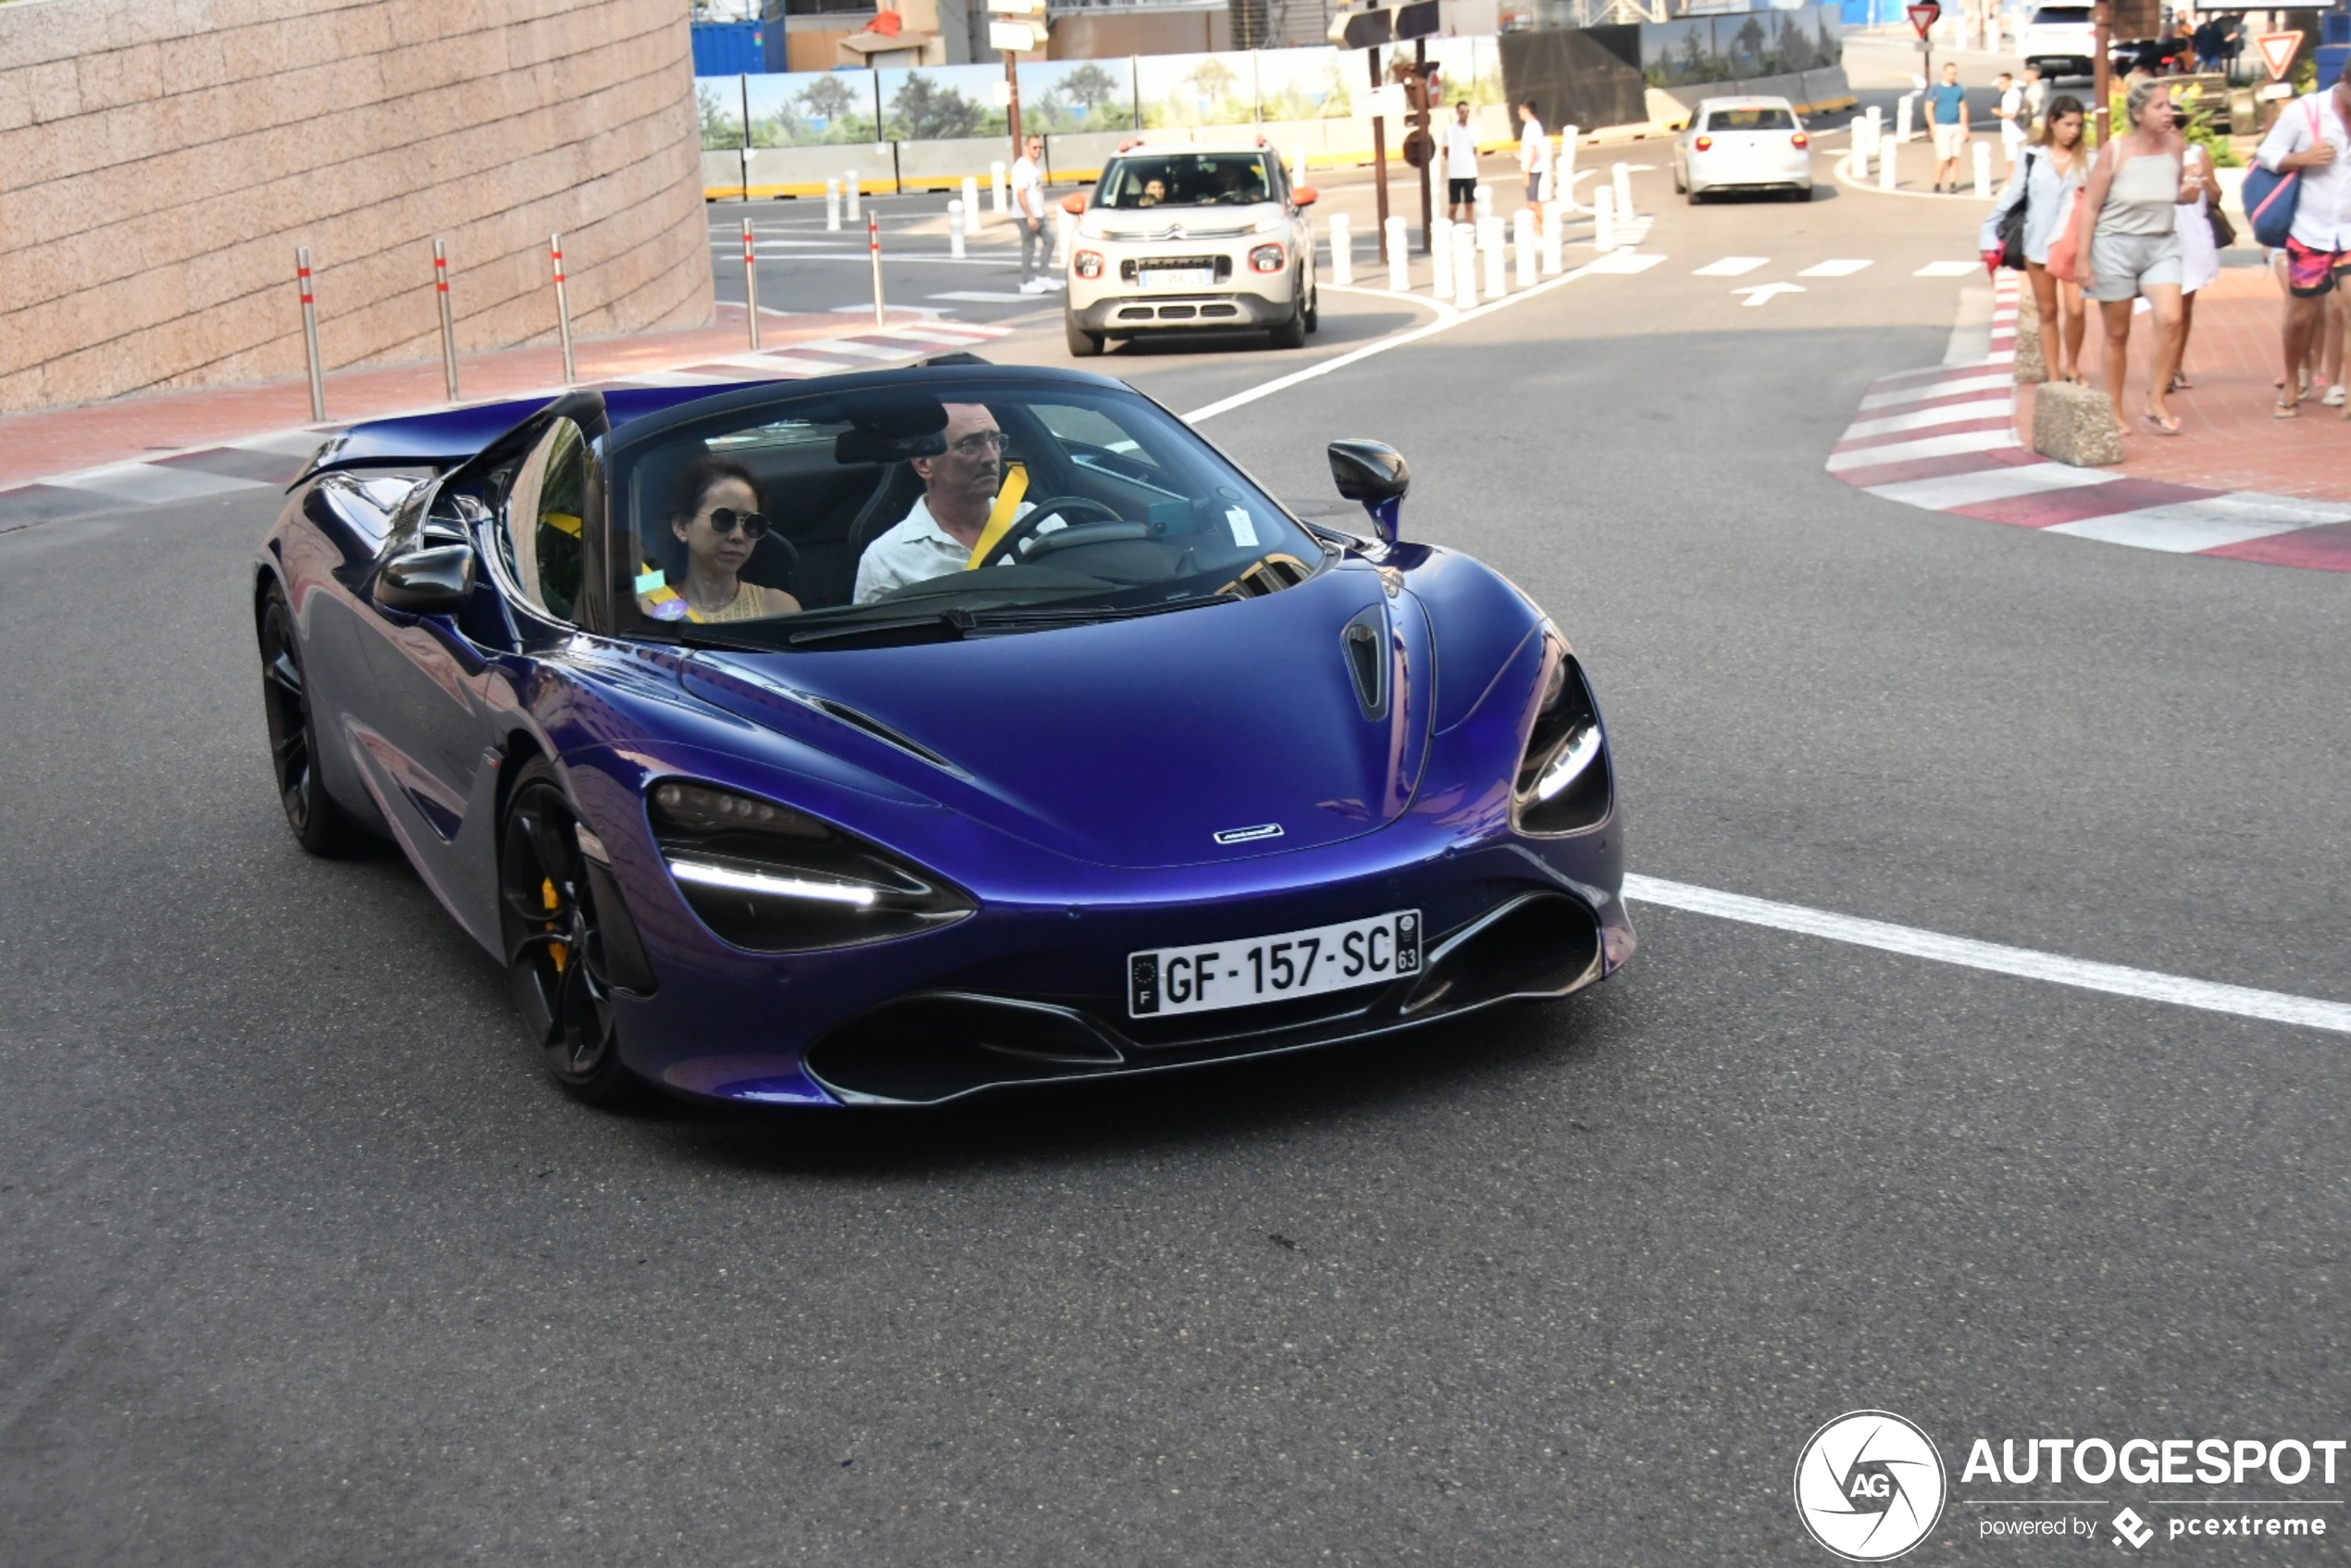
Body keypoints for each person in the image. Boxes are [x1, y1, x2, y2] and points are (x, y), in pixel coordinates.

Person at [2071, 78, 2197, 435]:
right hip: (2115, 246)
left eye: (2169, 105)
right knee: (2117, 333)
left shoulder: (2175, 144)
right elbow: (2092, 205)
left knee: (2172, 318)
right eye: (2160, 106)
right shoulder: (2115, 150)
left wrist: (2188, 193)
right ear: (2139, 114)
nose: (2169, 112)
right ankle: (2113, 409)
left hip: (2161, 244)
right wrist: (2083, 258)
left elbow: (2172, 193)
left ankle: (2156, 399)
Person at [852, 404, 1034, 604]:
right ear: (923, 464)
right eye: (970, 444)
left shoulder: (1040, 523)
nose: (991, 458)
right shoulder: (888, 560)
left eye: (995, 440)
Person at [2254, 59, 2351, 417]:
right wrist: (2303, 157)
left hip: (2349, 231)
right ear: (2344, 83)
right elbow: (2266, 153)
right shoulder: (2306, 111)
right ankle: (2294, 379)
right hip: (2310, 229)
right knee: (2301, 316)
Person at [1980, 94, 2091, 382]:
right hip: (2037, 244)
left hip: (2073, 247)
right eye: (2068, 124)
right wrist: (1988, 231)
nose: (2074, 131)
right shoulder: (2031, 156)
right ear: (2052, 122)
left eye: (2078, 125)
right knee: (2048, 311)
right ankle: (2054, 374)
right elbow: (2013, 197)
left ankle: (2073, 365)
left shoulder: (2090, 159)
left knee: (2076, 311)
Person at [640, 456, 800, 624]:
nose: (738, 536)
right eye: (723, 519)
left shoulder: (779, 608)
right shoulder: (650, 608)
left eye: (751, 523)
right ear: (682, 526)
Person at [2171, 139, 2221, 391]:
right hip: (2163, 231)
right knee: (2166, 308)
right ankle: (2165, 365)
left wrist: (2204, 179)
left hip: (2192, 233)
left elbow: (2215, 196)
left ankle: (2175, 364)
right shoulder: (2151, 151)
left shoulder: (2198, 153)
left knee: (2184, 307)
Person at [1011, 134, 1054, 296]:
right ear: (1026, 148)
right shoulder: (1022, 167)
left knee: (1050, 239)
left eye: (1040, 148)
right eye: (1034, 147)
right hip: (1025, 214)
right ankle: (1026, 282)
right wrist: (1029, 216)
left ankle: (1042, 276)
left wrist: (1041, 212)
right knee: (1029, 247)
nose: (1038, 151)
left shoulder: (1036, 166)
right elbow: (1021, 193)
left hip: (1038, 213)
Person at [1927, 62, 1970, 194]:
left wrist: (1965, 127)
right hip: (1942, 126)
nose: (1952, 76)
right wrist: (1932, 125)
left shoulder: (1959, 89)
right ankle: (1937, 182)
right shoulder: (1936, 89)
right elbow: (1929, 108)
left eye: (1955, 73)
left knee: (1955, 156)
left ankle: (1953, 183)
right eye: (1950, 73)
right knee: (1943, 156)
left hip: (1956, 125)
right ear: (1944, 73)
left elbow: (1963, 108)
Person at [1440, 100, 1480, 223]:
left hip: (1470, 173)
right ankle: (1451, 228)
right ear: (1457, 112)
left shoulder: (1474, 129)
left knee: (1469, 205)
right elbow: (1445, 149)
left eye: (1467, 111)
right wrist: (1451, 160)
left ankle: (1469, 229)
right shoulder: (1450, 129)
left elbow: (1475, 148)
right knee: (1453, 205)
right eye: (1462, 111)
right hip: (1455, 173)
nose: (1465, 114)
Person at [1515, 98, 1552, 222]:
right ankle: (1538, 232)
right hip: (1531, 168)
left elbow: (1535, 151)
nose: (1518, 112)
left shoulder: (1533, 126)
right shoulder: (1529, 126)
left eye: (1520, 110)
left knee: (1533, 203)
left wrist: (1527, 171)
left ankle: (1543, 229)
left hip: (1533, 170)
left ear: (1526, 110)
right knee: (1532, 203)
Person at [1994, 71, 2026, 173]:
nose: (1999, 85)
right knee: (2011, 160)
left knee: (2013, 161)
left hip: (2014, 133)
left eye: (2002, 82)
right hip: (2011, 132)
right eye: (1999, 83)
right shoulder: (2008, 94)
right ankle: (2010, 182)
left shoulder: (2012, 95)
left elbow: (2012, 115)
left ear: (2009, 82)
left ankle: (2012, 183)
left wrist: (1998, 112)